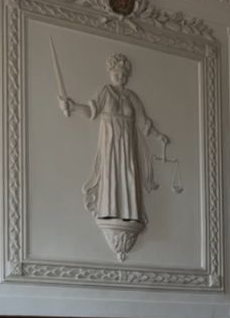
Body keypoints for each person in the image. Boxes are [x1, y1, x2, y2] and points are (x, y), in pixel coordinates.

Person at [59, 53, 167, 225]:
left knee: (129, 173)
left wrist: (158, 136)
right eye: (117, 73)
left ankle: (130, 214)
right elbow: (91, 111)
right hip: (110, 143)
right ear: (110, 72)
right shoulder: (105, 92)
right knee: (111, 174)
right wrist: (73, 107)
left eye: (124, 75)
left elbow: (143, 121)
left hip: (128, 144)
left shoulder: (132, 96)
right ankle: (109, 212)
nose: (121, 77)